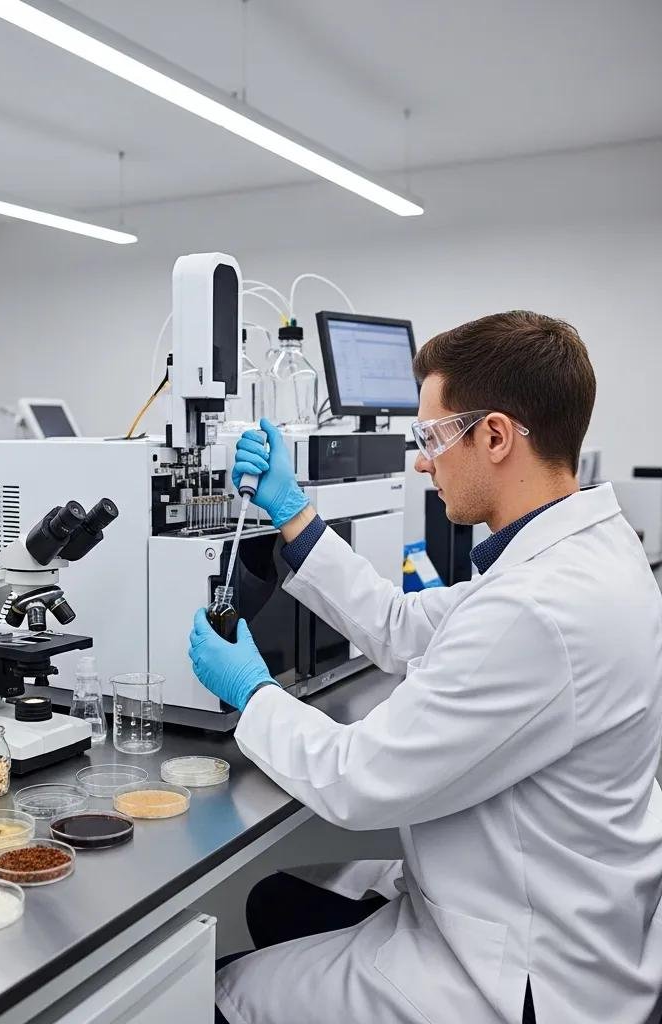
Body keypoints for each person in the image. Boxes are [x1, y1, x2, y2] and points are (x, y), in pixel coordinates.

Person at [189, 311, 662, 1024]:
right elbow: (403, 628)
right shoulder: (587, 551)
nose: (421, 460)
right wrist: (294, 515)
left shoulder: (538, 607)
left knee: (218, 996)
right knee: (275, 900)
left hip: (520, 971)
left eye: (432, 437)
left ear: (496, 435)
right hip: (553, 905)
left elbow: (358, 782)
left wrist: (252, 694)